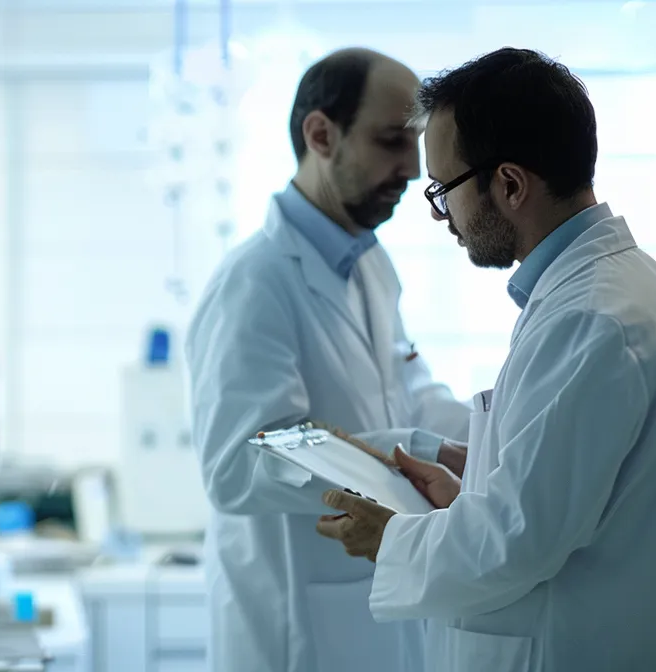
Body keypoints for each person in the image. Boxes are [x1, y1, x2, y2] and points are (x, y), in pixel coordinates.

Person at [315, 48, 656, 671]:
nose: (441, 216)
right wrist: (466, 498)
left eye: (443, 190)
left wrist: (391, 537)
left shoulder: (589, 318)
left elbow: (516, 541)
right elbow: (557, 505)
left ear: (509, 184)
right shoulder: (603, 292)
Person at [184, 48, 473, 672]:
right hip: (292, 627)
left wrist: (506, 426)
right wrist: (413, 448)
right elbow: (237, 466)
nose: (412, 168)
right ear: (321, 134)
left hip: (374, 606)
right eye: (392, 140)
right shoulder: (254, 280)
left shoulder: (371, 264)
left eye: (416, 144)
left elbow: (412, 389)